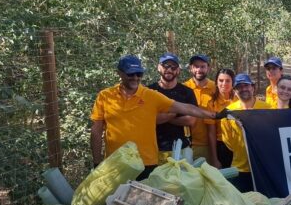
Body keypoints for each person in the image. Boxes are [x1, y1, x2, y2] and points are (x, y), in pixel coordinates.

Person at [91, 55, 225, 180]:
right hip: (115, 162)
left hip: (146, 162)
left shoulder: (150, 95)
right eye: (131, 74)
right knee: (114, 202)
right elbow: (96, 131)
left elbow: (186, 108)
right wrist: (97, 162)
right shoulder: (105, 96)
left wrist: (214, 115)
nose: (135, 78)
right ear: (120, 73)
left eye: (139, 74)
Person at [218, 73, 273, 192]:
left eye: (246, 86)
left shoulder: (268, 108)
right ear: (235, 91)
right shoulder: (229, 112)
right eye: (239, 87)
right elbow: (228, 142)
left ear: (253, 87)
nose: (243, 89)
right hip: (240, 168)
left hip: (263, 166)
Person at [147, 53, 197, 163]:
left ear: (178, 70)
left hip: (182, 148)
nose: (169, 69)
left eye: (173, 66)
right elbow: (147, 119)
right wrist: (177, 112)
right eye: (166, 65)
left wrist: (164, 116)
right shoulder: (149, 91)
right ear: (159, 67)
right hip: (154, 149)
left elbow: (191, 120)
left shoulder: (187, 92)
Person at [183, 54, 216, 160]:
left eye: (202, 66)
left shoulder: (215, 88)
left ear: (208, 68)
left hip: (210, 144)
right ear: (191, 68)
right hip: (187, 144)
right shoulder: (184, 88)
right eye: (196, 66)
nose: (199, 69)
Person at [206, 68, 236, 168]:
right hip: (222, 146)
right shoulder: (212, 103)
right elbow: (211, 133)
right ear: (216, 82)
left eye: (228, 81)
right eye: (221, 80)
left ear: (233, 82)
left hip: (239, 145)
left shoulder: (238, 100)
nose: (224, 84)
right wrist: (214, 159)